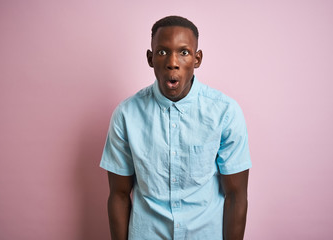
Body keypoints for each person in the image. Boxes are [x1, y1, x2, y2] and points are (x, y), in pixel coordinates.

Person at [100, 15, 252, 240]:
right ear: (150, 58)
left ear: (197, 59)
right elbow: (119, 195)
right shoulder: (126, 114)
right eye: (162, 52)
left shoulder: (225, 112)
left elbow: (236, 195)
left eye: (184, 52)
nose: (173, 62)